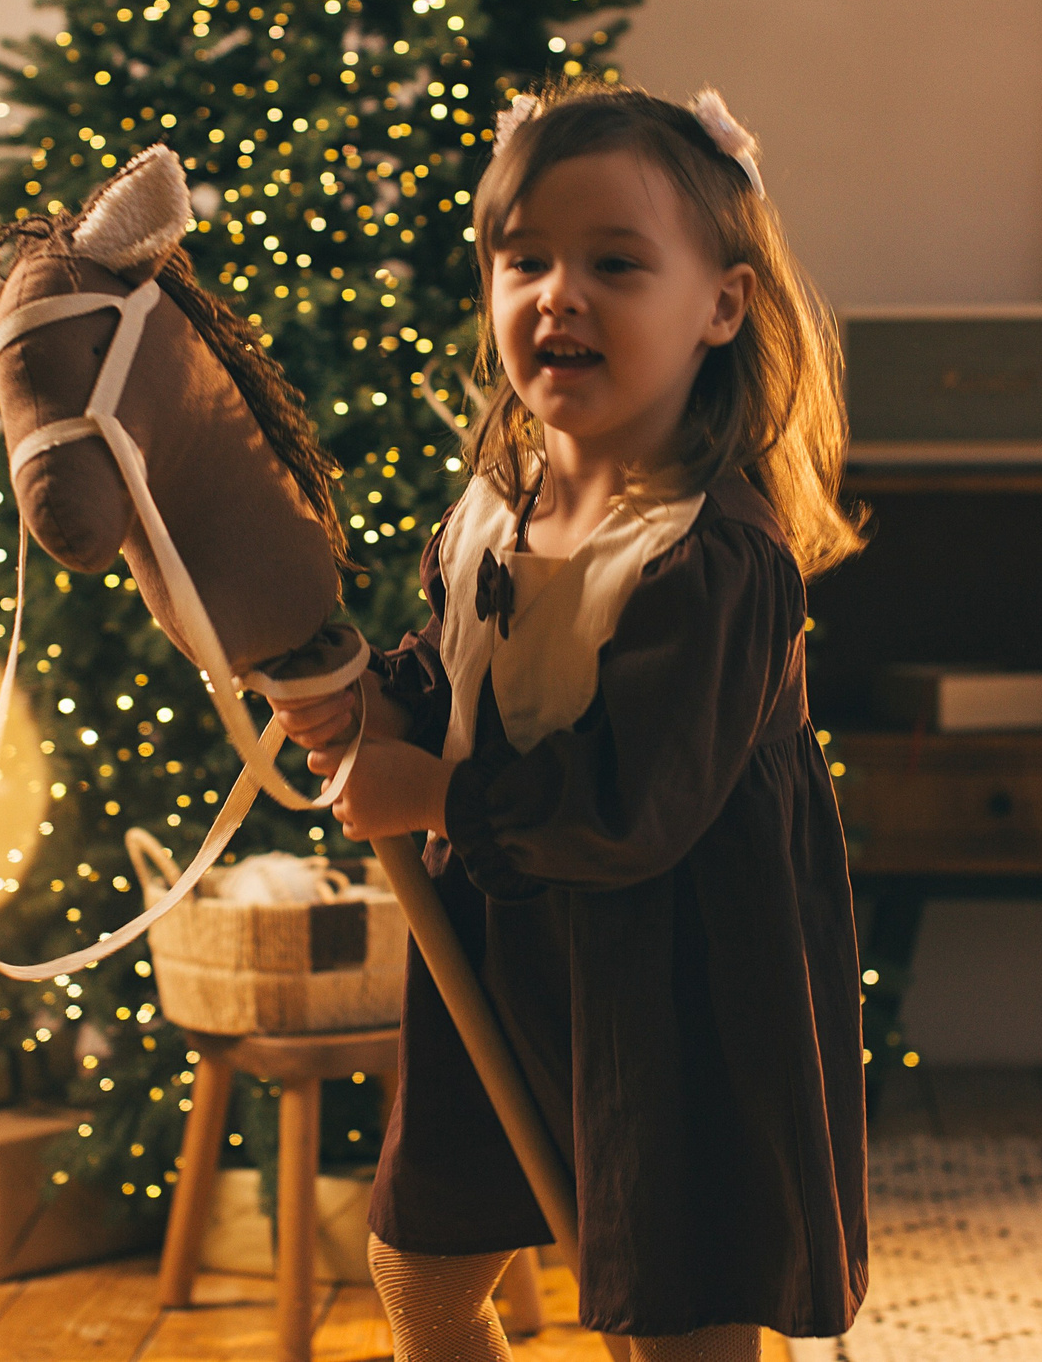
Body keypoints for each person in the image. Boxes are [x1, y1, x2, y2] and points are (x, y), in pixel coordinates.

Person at [275, 83, 871, 1361]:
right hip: (502, 951)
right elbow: (456, 684)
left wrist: (432, 797)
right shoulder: (495, 509)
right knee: (420, 1268)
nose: (559, 293)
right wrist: (366, 700)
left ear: (720, 304)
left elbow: (632, 804)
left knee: (669, 1322)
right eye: (523, 259)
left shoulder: (713, 557)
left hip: (673, 988)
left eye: (614, 262)